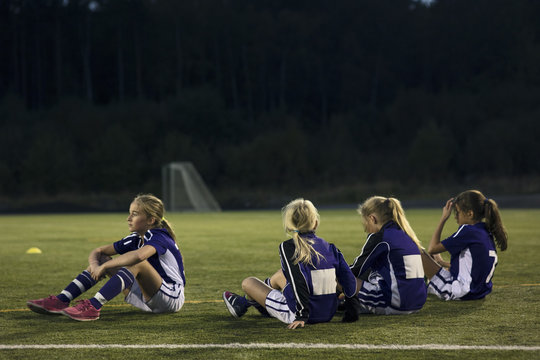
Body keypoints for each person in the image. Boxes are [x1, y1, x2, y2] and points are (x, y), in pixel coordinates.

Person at [27, 194, 186, 321]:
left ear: (151, 220)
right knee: (103, 258)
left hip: (171, 297)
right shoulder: (135, 237)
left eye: (135, 214)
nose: (128, 218)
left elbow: (139, 256)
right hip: (150, 296)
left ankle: (93, 307)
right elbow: (98, 251)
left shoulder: (160, 236)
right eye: (129, 213)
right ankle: (62, 299)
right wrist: (97, 266)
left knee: (137, 263)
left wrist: (105, 267)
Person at [223, 198, 359, 329]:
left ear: (289, 226)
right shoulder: (331, 247)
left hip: (300, 313)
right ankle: (248, 302)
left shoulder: (288, 247)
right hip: (328, 312)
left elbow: (298, 281)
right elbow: (349, 280)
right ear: (316, 223)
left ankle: (247, 302)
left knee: (248, 282)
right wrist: (352, 312)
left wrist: (301, 315)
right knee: (281, 274)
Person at [342, 196, 427, 322]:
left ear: (372, 218)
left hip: (396, 303)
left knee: (339, 274)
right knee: (372, 271)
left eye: (364, 223)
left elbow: (355, 270)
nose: (365, 228)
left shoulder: (380, 237)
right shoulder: (407, 234)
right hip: (417, 302)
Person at [422, 190, 508, 300]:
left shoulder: (468, 230)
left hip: (460, 291)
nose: (455, 216)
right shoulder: (486, 231)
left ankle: (417, 287)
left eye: (457, 212)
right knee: (438, 260)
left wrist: (443, 218)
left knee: (417, 251)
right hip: (478, 292)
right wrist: (442, 263)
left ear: (470, 213)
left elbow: (432, 248)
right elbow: (474, 266)